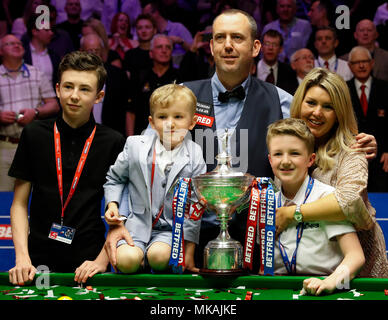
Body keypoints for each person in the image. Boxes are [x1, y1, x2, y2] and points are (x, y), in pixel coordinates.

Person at [182, 9, 293, 269]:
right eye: (220, 38)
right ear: (211, 46)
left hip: (259, 242)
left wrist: (353, 145)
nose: (228, 45)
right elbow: (150, 158)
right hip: (188, 243)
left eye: (237, 38)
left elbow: (310, 154)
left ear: (256, 47)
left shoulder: (281, 100)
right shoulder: (182, 96)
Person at [7, 51, 126, 285]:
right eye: (68, 87)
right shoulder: (34, 134)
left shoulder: (114, 141)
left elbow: (125, 210)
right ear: (57, 89)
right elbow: (19, 203)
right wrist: (22, 258)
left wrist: (102, 260)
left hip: (89, 262)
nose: (74, 96)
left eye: (84, 89)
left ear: (99, 96)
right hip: (36, 261)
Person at [276, 68, 388, 278]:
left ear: (339, 113)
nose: (317, 112)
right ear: (299, 103)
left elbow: (349, 200)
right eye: (311, 103)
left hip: (357, 270)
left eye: (328, 107)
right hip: (307, 266)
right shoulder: (285, 147)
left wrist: (292, 214)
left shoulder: (353, 150)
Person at [103, 83, 206, 273]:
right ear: (152, 121)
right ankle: (138, 259)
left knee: (160, 258)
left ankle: (149, 260)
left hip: (170, 232)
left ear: (192, 122)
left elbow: (195, 205)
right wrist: (112, 205)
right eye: (162, 117)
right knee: (126, 261)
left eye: (178, 117)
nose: (170, 123)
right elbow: (115, 178)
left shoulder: (195, 154)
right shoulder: (134, 145)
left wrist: (189, 253)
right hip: (135, 226)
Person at [267, 118, 364, 295]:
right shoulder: (265, 201)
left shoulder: (326, 199)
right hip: (277, 289)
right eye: (278, 154)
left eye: (295, 153)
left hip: (323, 287)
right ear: (270, 159)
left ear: (311, 159)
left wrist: (331, 282)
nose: (286, 161)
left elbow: (356, 257)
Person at [0, 34, 59, 192]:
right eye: (10, 43)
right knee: (3, 200)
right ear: (1, 51)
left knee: (34, 198)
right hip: (4, 146)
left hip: (34, 146)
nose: (16, 45)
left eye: (19, 43)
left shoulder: (37, 73)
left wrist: (36, 112)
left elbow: (54, 105)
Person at [347, 46, 388, 192]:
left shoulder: (385, 88)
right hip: (351, 160)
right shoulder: (343, 90)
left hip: (382, 160)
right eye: (357, 62)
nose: (362, 65)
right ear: (349, 66)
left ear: (372, 63)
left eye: (365, 61)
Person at [128, 34, 181, 135]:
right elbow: (131, 112)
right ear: (151, 53)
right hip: (142, 136)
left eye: (168, 47)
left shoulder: (179, 78)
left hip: (171, 136)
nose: (164, 50)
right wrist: (130, 140)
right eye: (159, 47)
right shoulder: (140, 77)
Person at [80, 34, 131, 137]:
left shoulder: (118, 75)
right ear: (81, 52)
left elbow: (125, 110)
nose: (94, 55)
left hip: (110, 135)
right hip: (79, 133)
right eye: (90, 51)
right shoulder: (73, 75)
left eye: (97, 50)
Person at [143, 1, 193, 68]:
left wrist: (180, 41)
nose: (146, 20)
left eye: (147, 16)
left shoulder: (178, 27)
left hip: (182, 66)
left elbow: (194, 50)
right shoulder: (152, 34)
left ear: (156, 13)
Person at [23, 13, 61, 89]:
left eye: (51, 30)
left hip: (51, 99)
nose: (51, 33)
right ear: (34, 32)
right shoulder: (22, 55)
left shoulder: (54, 56)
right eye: (47, 30)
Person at [256, 29, 296, 95]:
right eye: (267, 44)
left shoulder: (288, 72)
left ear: (280, 49)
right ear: (261, 47)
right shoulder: (250, 69)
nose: (270, 48)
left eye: (274, 44)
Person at [123, 14, 156, 81]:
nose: (143, 31)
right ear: (136, 31)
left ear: (154, 30)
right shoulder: (130, 55)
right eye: (140, 28)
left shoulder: (160, 54)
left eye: (147, 27)